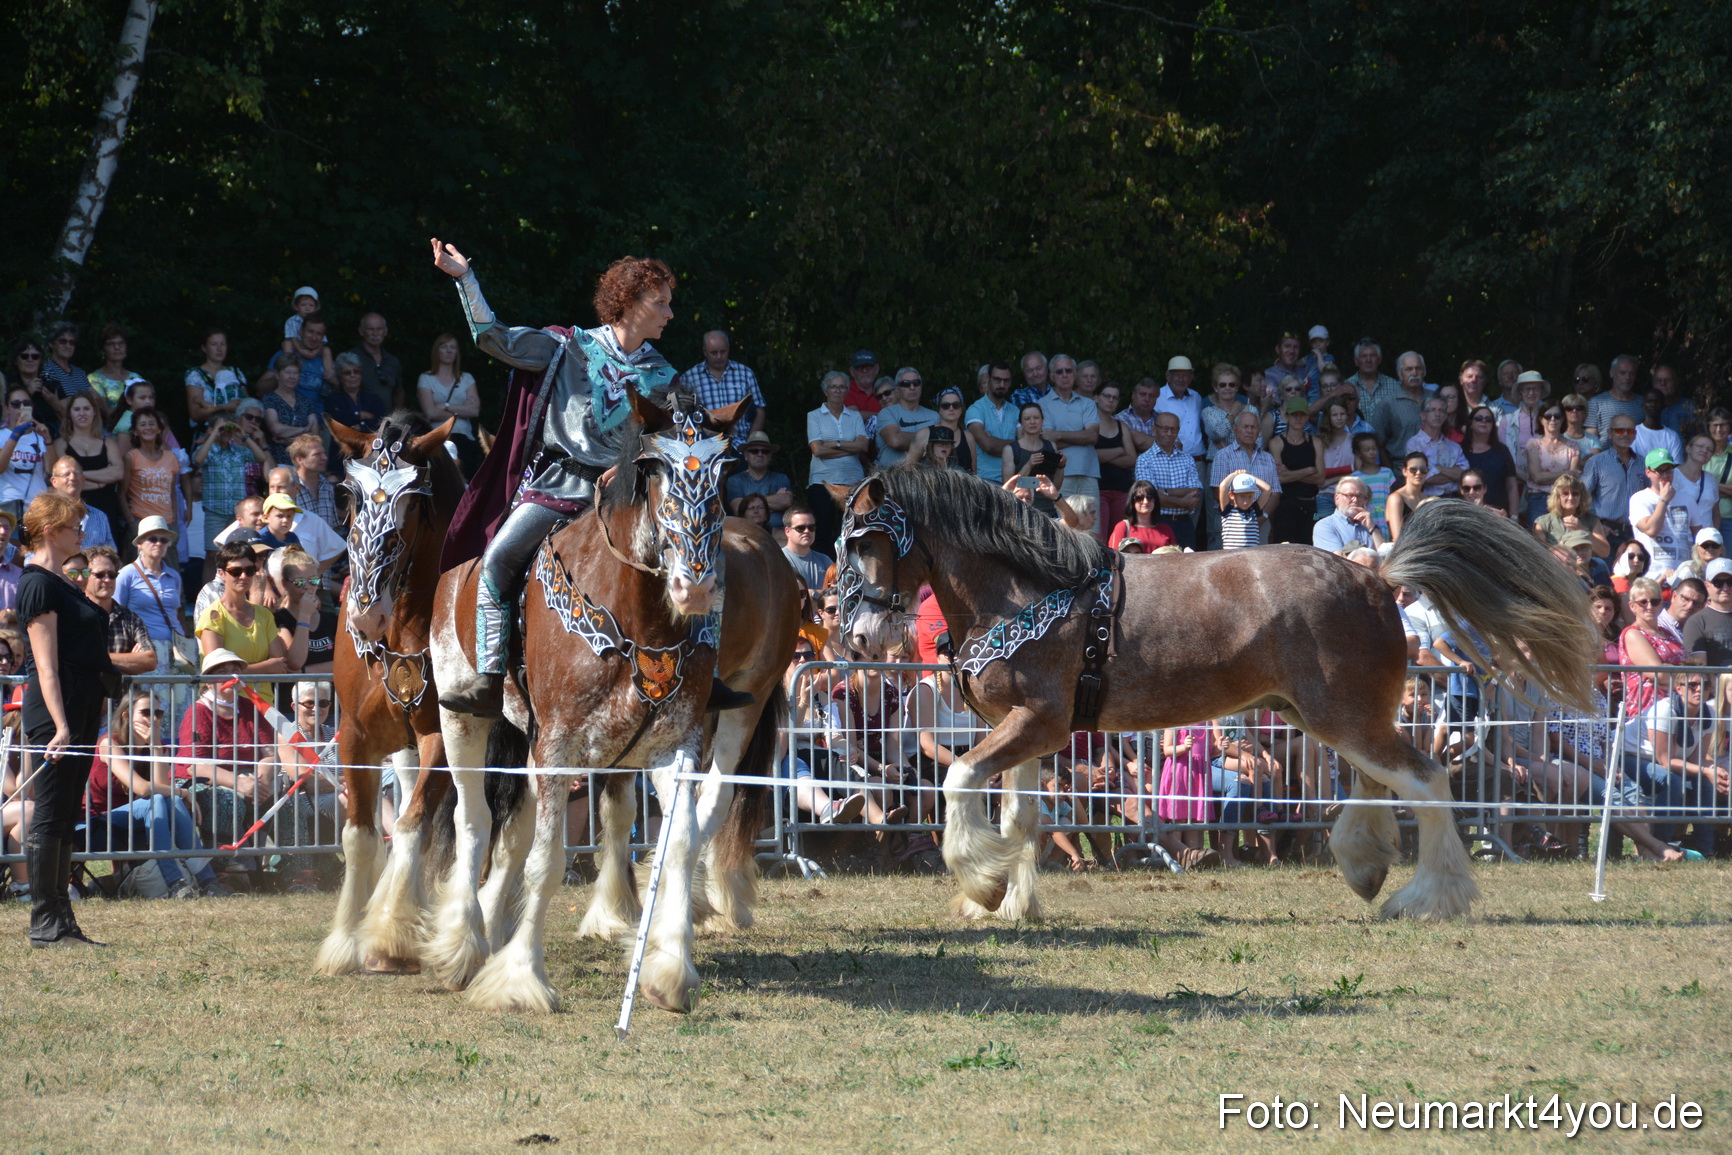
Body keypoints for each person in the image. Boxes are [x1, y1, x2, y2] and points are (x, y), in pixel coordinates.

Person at [16, 490, 119, 946]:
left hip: (80, 705)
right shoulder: (37, 583)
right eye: (74, 525)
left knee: (64, 816)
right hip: (55, 709)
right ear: (51, 530)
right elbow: (46, 664)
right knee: (50, 813)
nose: (81, 531)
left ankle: (63, 917)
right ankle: (45, 921)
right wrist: (59, 726)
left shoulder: (62, 581)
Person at [85, 691, 232, 899]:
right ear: (126, 715)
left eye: (158, 713)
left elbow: (161, 787)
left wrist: (155, 747)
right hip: (97, 824)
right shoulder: (110, 743)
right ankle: (175, 883)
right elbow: (143, 789)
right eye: (146, 712)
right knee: (158, 799)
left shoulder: (156, 745)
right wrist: (183, 792)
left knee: (167, 799)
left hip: (136, 823)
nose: (153, 719)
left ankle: (208, 881)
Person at [192, 410, 269, 572]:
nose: (226, 432)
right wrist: (213, 433)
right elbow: (198, 460)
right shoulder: (208, 451)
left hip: (237, 514)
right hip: (215, 511)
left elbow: (261, 458)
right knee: (212, 554)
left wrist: (243, 436)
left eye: (228, 428)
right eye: (222, 429)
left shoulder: (239, 452)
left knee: (239, 552)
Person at [806, 370, 871, 551]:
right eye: (833, 387)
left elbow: (863, 447)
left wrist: (834, 443)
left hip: (853, 482)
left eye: (842, 387)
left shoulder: (854, 416)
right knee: (822, 533)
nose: (838, 390)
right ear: (825, 390)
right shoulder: (814, 416)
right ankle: (825, 575)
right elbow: (817, 450)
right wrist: (849, 447)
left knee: (855, 532)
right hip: (823, 482)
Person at [115, 515, 185, 672]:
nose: (159, 543)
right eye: (152, 539)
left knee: (182, 696)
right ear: (139, 543)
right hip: (146, 648)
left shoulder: (174, 575)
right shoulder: (126, 574)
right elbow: (116, 614)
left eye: (164, 540)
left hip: (178, 647)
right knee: (153, 696)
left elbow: (176, 612)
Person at [48, 392, 124, 534]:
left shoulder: (108, 443)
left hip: (106, 506)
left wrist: (79, 476)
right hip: (73, 508)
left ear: (94, 412)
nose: (82, 413)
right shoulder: (60, 444)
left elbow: (118, 472)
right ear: (69, 414)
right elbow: (63, 481)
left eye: (86, 409)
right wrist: (101, 481)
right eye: (77, 409)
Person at [679, 329, 764, 447]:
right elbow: (683, 416)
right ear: (705, 352)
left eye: (723, 352)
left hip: (740, 445)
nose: (719, 356)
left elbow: (760, 409)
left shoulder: (745, 374)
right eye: (714, 353)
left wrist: (751, 443)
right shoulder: (689, 378)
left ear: (728, 349)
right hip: (705, 447)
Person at [1038, 355, 1101, 512]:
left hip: (1089, 473)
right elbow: (1047, 442)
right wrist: (1081, 436)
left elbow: (1092, 436)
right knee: (1064, 527)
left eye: (1068, 371)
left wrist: (1058, 434)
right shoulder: (1042, 404)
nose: (1064, 375)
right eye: (1059, 372)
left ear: (1075, 374)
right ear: (1051, 376)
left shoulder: (1088, 403)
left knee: (1091, 528)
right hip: (1059, 475)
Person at [417, 332, 483, 476]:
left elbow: (474, 411)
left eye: (453, 347)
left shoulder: (466, 378)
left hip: (464, 438)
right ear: (437, 350)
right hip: (438, 438)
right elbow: (431, 413)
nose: (448, 350)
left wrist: (446, 406)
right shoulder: (426, 378)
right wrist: (462, 409)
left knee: (465, 480)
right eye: (444, 346)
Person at [1135, 412, 1202, 547]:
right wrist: (1183, 502)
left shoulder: (1187, 458)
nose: (1169, 433)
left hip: (1184, 524)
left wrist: (1163, 492)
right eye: (1165, 429)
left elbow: (1195, 491)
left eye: (1173, 429)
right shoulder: (1144, 460)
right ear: (1155, 430)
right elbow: (1150, 496)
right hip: (1157, 522)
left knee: (1188, 565)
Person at [1630, 448, 1696, 583]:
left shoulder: (1687, 499)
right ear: (1648, 472)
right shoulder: (1639, 499)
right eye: (1660, 471)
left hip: (1682, 577)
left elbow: (1698, 535)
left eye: (1669, 470)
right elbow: (1651, 530)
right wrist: (1664, 500)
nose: (1666, 475)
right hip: (1649, 576)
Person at [1582, 416, 1644, 546]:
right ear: (1610, 433)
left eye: (1630, 431)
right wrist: (1596, 527)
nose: (1625, 434)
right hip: (1606, 532)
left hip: (1638, 534)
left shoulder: (1643, 464)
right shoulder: (1597, 462)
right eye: (1620, 430)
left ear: (1635, 434)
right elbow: (1581, 498)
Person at [122, 408, 179, 548]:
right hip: (141, 522)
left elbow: (172, 494)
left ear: (159, 429)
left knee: (169, 568)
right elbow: (121, 493)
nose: (148, 428)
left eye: (152, 424)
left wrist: (175, 521)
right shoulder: (131, 457)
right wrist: (131, 522)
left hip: (167, 524)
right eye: (143, 424)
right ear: (135, 431)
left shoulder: (171, 457)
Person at [1270, 395, 1323, 543]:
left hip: (1309, 503)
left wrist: (1290, 474)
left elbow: (1320, 477)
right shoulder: (1276, 442)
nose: (1298, 418)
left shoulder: (1316, 442)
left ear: (1307, 416)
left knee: (1309, 548)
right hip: (1285, 504)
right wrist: (1308, 470)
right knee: (1283, 549)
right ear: (1287, 416)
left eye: (1302, 414)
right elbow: (1279, 478)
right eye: (1294, 415)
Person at [183, 328, 248, 444]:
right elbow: (195, 414)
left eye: (223, 344)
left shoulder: (237, 373)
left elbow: (247, 406)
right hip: (208, 438)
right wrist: (224, 407)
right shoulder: (196, 375)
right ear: (204, 348)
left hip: (237, 437)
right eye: (214, 344)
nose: (219, 349)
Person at [1003, 402, 1065, 519]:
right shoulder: (1011, 449)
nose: (1032, 422)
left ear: (1042, 420)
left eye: (1036, 418)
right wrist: (1028, 465)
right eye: (1027, 419)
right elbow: (1008, 487)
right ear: (1020, 422)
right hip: (1021, 512)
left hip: (1048, 510)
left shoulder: (1050, 447)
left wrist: (1061, 467)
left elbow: (1055, 486)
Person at [1092, 381, 1137, 531]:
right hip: (1099, 489)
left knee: (1120, 538)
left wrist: (1104, 457)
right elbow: (1092, 457)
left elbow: (1131, 459)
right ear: (1096, 397)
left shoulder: (1121, 425)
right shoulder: (1089, 424)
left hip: (1121, 490)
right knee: (1100, 537)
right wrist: (1119, 450)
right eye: (1107, 396)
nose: (1111, 400)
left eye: (1115, 398)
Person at [873, 366, 939, 468]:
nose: (912, 387)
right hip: (892, 478)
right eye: (906, 384)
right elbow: (895, 441)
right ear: (897, 389)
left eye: (916, 383)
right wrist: (929, 437)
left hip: (927, 478)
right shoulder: (886, 413)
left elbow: (941, 446)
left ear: (921, 386)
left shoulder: (934, 416)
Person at [1460, 404, 1520, 517]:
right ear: (1470, 423)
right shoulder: (1459, 450)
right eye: (1479, 418)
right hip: (1467, 514)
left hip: (1498, 514)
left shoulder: (1502, 451)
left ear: (1493, 425)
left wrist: (1514, 517)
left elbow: (1512, 486)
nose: (1484, 421)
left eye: (1488, 419)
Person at [724, 431, 792, 529]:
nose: (760, 454)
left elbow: (786, 501)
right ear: (746, 456)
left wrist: (749, 506)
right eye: (754, 451)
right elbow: (738, 508)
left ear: (770, 456)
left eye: (765, 451)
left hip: (778, 534)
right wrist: (773, 501)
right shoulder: (734, 480)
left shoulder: (781, 478)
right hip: (747, 534)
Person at [964, 362, 1018, 484]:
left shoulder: (1016, 411)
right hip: (985, 482)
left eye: (1006, 381)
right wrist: (1017, 444)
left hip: (1013, 481)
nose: (1002, 385)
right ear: (988, 379)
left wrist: (996, 442)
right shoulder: (975, 410)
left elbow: (1026, 446)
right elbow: (988, 445)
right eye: (997, 380)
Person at [45, 457, 114, 552]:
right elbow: (33, 554)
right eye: (66, 474)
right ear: (54, 481)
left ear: (83, 479)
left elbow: (112, 553)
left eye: (76, 473)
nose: (73, 478)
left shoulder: (99, 516)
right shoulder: (45, 515)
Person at [1406, 394, 1468, 499]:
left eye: (1441, 410)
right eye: (1432, 410)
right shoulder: (1414, 444)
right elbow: (1424, 478)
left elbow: (1464, 475)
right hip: (1428, 500)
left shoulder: (1454, 447)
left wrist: (1437, 468)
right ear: (1423, 415)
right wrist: (1453, 474)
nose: (1437, 414)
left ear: (1446, 416)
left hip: (1455, 499)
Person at [261, 359, 320, 467]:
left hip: (304, 463)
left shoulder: (305, 401)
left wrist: (289, 440)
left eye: (295, 373)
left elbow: (314, 433)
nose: (292, 377)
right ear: (277, 375)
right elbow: (276, 429)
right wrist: (303, 430)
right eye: (288, 372)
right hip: (278, 462)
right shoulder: (270, 399)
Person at [84, 324, 143, 426]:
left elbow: (146, 410)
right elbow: (107, 414)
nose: (117, 347)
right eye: (111, 344)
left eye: (121, 343)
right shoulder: (94, 379)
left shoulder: (136, 377)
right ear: (103, 350)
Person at [1312, 476, 1384, 554]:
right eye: (1350, 496)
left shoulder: (1371, 525)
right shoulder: (1325, 526)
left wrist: (1372, 528)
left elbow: (1385, 556)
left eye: (1360, 496)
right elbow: (1338, 559)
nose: (1355, 500)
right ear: (1337, 498)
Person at [909, 387, 974, 473]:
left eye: (956, 405)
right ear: (939, 409)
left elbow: (974, 472)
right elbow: (909, 468)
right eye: (946, 405)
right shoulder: (923, 434)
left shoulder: (968, 437)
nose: (951, 408)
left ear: (961, 409)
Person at [325, 352, 390, 437]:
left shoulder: (374, 399)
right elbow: (336, 422)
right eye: (347, 373)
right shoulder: (333, 399)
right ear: (340, 377)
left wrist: (361, 427)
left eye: (356, 372)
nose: (353, 375)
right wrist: (360, 415)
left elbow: (382, 423)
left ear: (361, 375)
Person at [349, 312, 404, 411]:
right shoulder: (351, 358)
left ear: (385, 331)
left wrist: (397, 418)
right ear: (361, 331)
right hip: (360, 420)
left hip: (387, 422)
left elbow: (399, 391)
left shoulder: (392, 361)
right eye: (370, 329)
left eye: (379, 329)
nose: (375, 333)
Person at [1683, 557, 1732, 666]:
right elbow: (1700, 669)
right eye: (1718, 583)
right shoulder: (1697, 622)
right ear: (1707, 586)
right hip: (1717, 682)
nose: (1725, 588)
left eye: (1730, 582)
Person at [1107, 479, 1177, 553]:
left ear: (1155, 500)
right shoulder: (1122, 527)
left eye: (1149, 497)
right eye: (1139, 498)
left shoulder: (1166, 529)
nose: (1145, 501)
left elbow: (1174, 558)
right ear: (1132, 501)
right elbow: (1114, 558)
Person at [1347, 431, 1395, 536]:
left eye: (1374, 449)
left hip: (1386, 521)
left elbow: (1392, 500)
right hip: (1365, 523)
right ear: (1358, 453)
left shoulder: (1386, 473)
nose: (1372, 453)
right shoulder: (1355, 478)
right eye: (1367, 450)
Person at [780, 508, 832, 594]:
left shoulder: (825, 560)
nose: (807, 531)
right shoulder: (779, 560)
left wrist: (808, 593)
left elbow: (837, 593)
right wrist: (820, 594)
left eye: (811, 527)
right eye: (800, 528)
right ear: (787, 531)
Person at [1216, 470, 1272, 549]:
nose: (1246, 501)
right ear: (1232, 495)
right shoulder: (1227, 510)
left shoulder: (1254, 510)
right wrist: (1234, 474)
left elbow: (1267, 489)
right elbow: (1223, 486)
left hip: (1251, 554)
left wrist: (1249, 476)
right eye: (1242, 496)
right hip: (1231, 555)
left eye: (1250, 496)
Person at [1386, 451, 1431, 541]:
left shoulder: (1427, 499)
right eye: (1413, 469)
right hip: (1404, 551)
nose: (1418, 473)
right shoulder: (1396, 498)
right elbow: (1397, 537)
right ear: (1404, 471)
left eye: (1423, 469)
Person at [1631, 387, 1684, 465]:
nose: (1653, 405)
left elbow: (1677, 467)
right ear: (1643, 405)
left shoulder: (1672, 436)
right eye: (1650, 401)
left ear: (1664, 406)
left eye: (1657, 401)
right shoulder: (1633, 433)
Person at [1558, 392, 1603, 459]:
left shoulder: (1593, 440)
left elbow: (1596, 463)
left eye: (1579, 408)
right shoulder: (1557, 437)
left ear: (1585, 412)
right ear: (1563, 412)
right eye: (1569, 408)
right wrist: (1583, 461)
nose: (1574, 411)